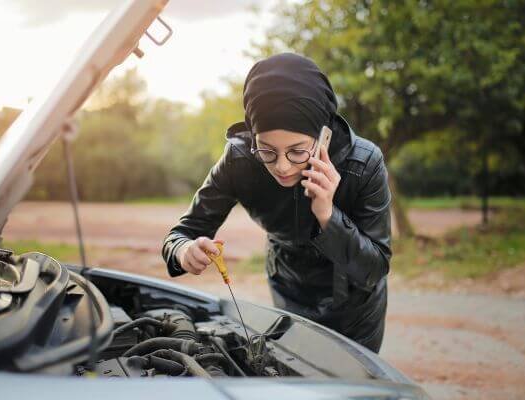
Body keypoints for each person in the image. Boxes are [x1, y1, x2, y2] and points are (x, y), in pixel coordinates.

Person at [162, 53, 391, 353]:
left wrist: (327, 215)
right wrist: (183, 251)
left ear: (324, 135)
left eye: (297, 151)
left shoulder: (364, 164)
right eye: (267, 150)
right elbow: (179, 236)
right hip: (287, 293)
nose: (282, 167)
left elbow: (375, 267)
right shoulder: (240, 160)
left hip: (356, 306)